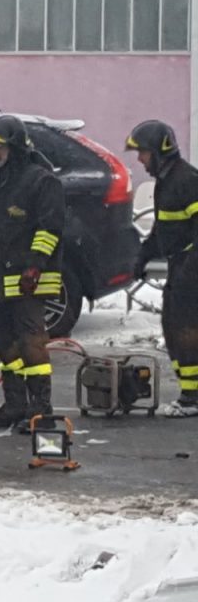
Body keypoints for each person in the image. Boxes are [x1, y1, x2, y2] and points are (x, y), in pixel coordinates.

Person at [0, 115, 64, 433]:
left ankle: (41, 410)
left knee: (31, 342)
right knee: (5, 343)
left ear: (16, 149)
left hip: (28, 281)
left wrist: (35, 265)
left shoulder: (40, 181)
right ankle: (16, 404)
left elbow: (50, 229)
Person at [127, 120, 198, 416]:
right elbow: (162, 229)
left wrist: (190, 269)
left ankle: (192, 398)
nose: (140, 160)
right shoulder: (165, 183)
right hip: (180, 264)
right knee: (172, 326)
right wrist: (142, 257)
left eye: (143, 153)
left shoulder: (187, 180)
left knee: (186, 329)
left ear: (159, 152)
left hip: (191, 265)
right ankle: (189, 391)